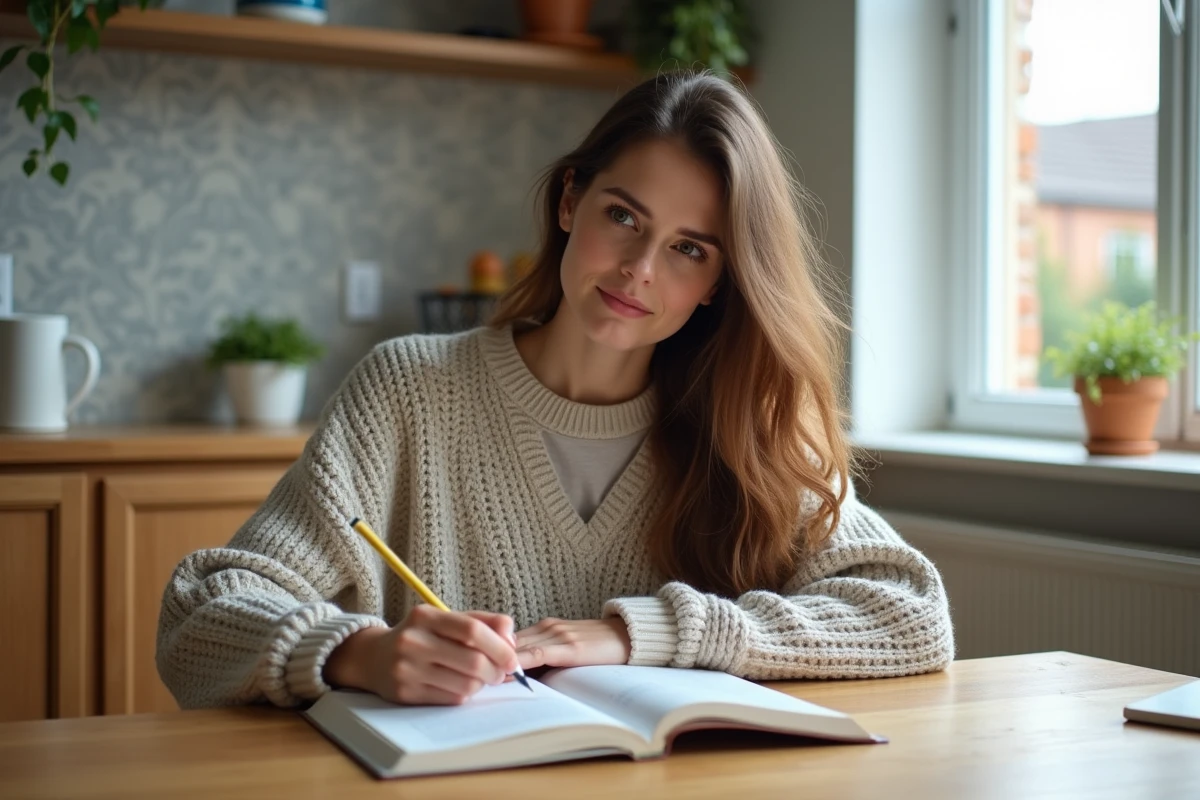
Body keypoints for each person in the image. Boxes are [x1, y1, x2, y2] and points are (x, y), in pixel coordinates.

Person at [157, 71, 954, 710]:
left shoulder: (747, 426)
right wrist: (354, 653)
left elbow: (913, 616)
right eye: (624, 216)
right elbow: (197, 616)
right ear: (571, 202)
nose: (640, 269)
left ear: (720, 282)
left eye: (688, 249)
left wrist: (644, 633)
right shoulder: (408, 390)